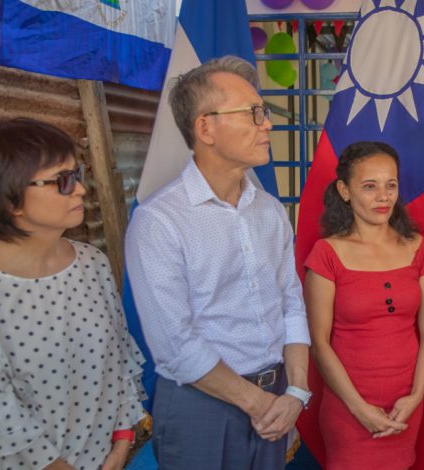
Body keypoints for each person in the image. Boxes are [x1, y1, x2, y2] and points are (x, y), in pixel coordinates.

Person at [124, 56, 311, 469]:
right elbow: (176, 345)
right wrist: (259, 403)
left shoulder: (269, 210)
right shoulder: (159, 221)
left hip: (277, 396)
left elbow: (291, 303)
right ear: (205, 128)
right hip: (201, 406)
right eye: (254, 113)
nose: (268, 124)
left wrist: (296, 392)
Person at [0, 118, 146, 470]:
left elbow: (119, 355)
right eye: (62, 181)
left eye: (77, 174)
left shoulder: (92, 263)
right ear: (11, 200)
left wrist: (123, 438)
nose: (79, 189)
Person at [301, 141, 424, 469]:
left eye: (391, 185)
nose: (383, 196)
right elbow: (319, 344)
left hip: (406, 406)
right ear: (344, 191)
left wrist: (416, 396)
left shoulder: (417, 246)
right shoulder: (327, 253)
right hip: (349, 411)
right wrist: (359, 409)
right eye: (369, 186)